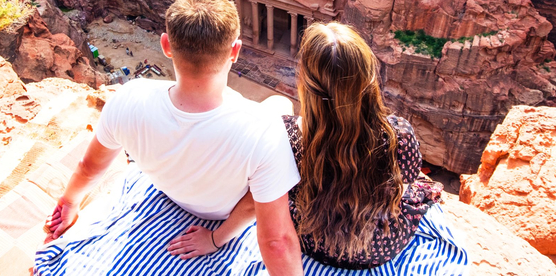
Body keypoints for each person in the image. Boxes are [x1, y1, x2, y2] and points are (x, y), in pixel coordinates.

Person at [42, 0, 303, 276]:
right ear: (234, 51)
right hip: (223, 212)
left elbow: (89, 166)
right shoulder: (265, 131)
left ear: (166, 45)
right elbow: (276, 242)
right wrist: (217, 239)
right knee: (280, 104)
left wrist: (69, 202)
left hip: (170, 189)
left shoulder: (129, 97)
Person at [179, 22, 466, 273]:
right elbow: (401, 186)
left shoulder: (287, 137)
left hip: (313, 243)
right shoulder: (399, 135)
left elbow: (256, 201)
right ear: (369, 79)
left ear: (307, 83)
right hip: (379, 246)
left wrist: (215, 239)